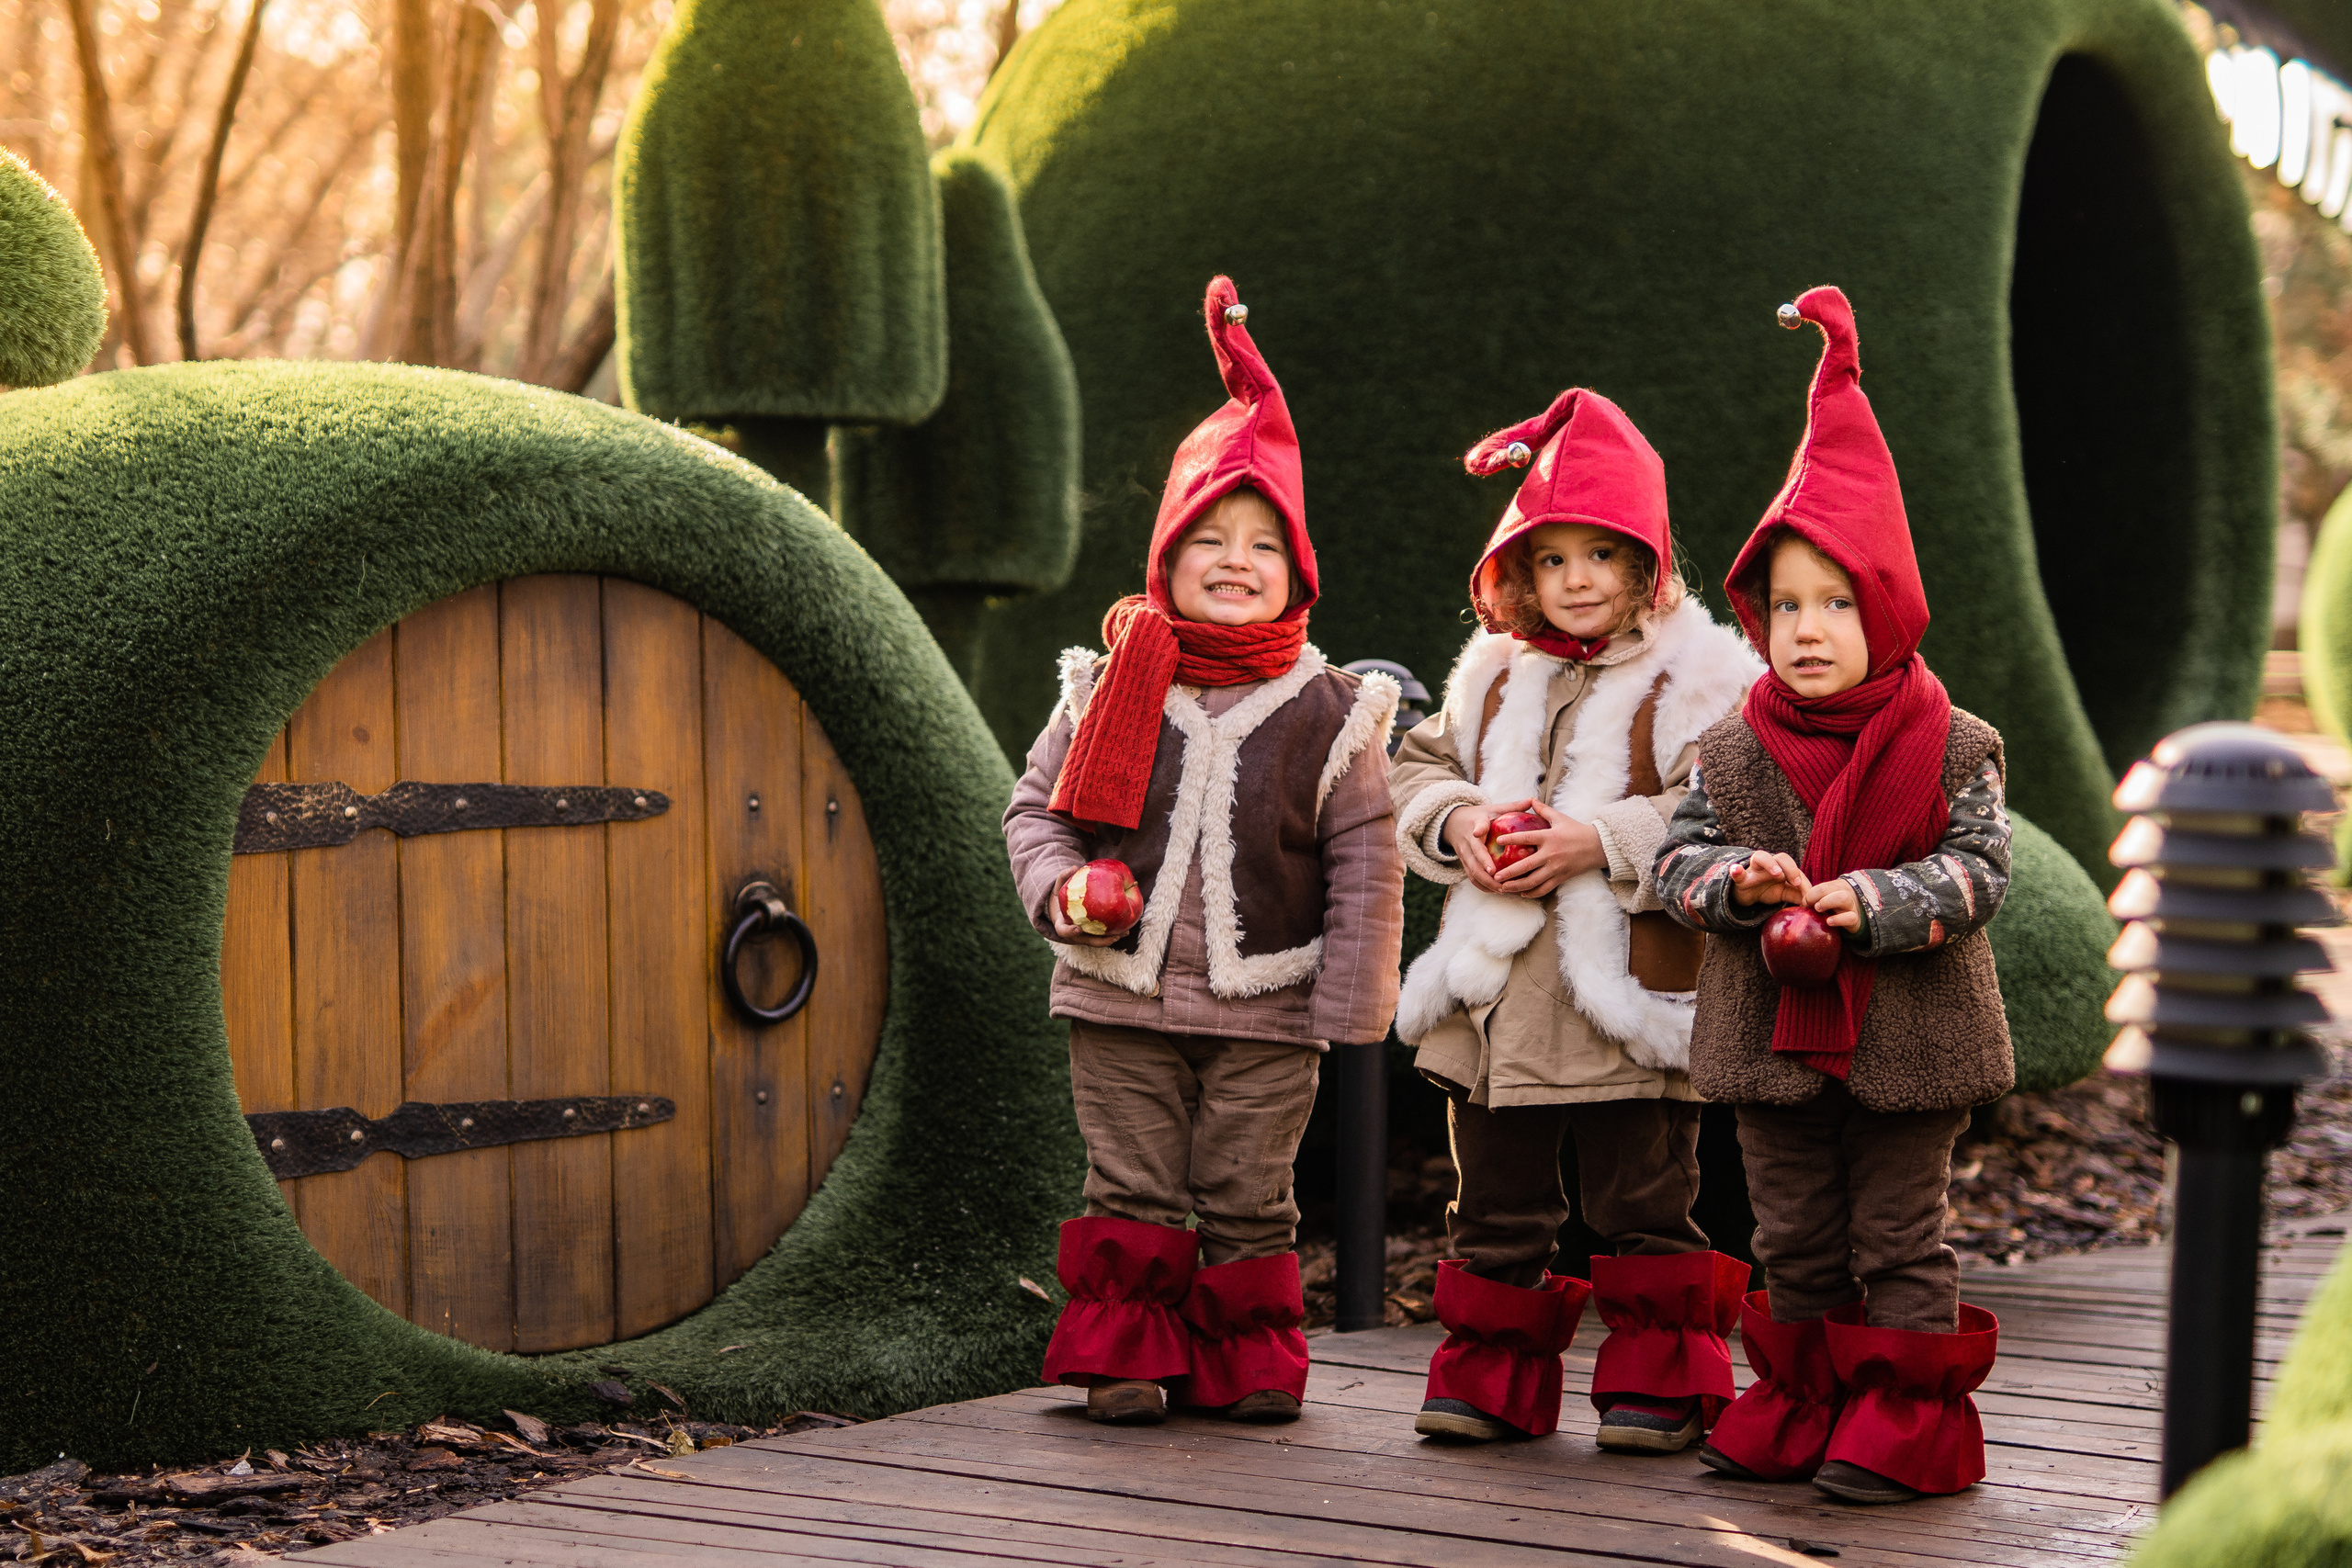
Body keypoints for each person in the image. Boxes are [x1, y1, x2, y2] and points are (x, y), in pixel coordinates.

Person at [1002, 276, 1405, 1427]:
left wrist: (1349, 1004)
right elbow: (1035, 813)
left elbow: (1367, 863)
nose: (1235, 560)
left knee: (1245, 1186)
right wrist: (1063, 890)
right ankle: (1129, 1356)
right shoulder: (1107, 688)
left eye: (1262, 545)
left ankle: (1244, 1361)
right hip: (1116, 992)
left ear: (1298, 570)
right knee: (1130, 1180)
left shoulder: (1333, 714)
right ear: (1165, 561)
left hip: (1265, 1007)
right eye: (1209, 541)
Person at [1654, 286, 2012, 1505]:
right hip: (1773, 1038)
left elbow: (1979, 871)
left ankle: (1902, 1418)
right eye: (1787, 605)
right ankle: (1806, 1397)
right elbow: (1675, 860)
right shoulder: (1728, 746)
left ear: (1889, 605)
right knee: (1793, 1227)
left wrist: (1874, 901)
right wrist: (1738, 886)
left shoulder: (1957, 742)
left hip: (1909, 1038)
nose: (1808, 628)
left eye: (1838, 602)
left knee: (1900, 1231)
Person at [1387, 388, 1761, 1452]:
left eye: (1601, 554)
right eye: (1552, 559)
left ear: (1646, 563)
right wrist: (1458, 822)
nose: (1577, 580)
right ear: (1520, 572)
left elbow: (1723, 802)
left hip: (1621, 985)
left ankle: (1660, 1381)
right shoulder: (1498, 672)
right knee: (1493, 1196)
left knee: (1641, 1190)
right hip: (1499, 990)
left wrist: (1602, 838)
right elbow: (1420, 768)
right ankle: (1490, 1377)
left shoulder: (1701, 677)